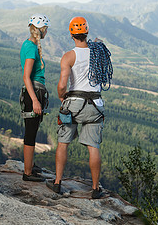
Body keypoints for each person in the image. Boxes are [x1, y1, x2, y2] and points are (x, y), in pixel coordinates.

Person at [46, 16, 113, 199]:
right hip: (95, 105)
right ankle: (95, 188)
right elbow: (99, 50)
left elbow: (62, 84)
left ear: (71, 34)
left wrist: (62, 97)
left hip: (74, 103)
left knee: (63, 142)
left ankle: (58, 183)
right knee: (93, 147)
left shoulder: (68, 56)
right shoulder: (98, 53)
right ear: (87, 32)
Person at [20, 14, 50, 181]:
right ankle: (27, 173)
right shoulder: (31, 48)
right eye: (46, 29)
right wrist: (36, 100)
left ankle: (29, 165)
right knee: (31, 132)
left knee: (31, 130)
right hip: (33, 93)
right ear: (41, 29)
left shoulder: (27, 44)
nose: (47, 32)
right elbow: (26, 76)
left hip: (32, 92)